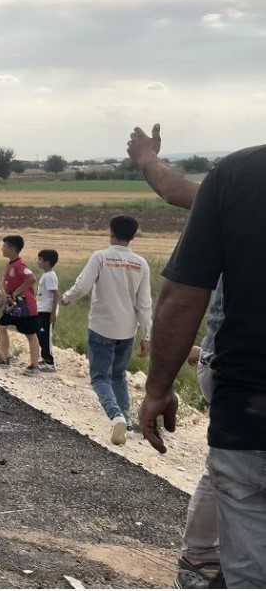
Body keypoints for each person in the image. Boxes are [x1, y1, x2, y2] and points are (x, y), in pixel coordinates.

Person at [139, 141, 266, 588]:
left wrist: (157, 389)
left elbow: (181, 297)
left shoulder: (241, 175)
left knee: (241, 491)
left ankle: (200, 558)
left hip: (248, 400)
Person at [126, 124, 223, 589]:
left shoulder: (244, 179)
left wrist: (146, 157)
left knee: (231, 469)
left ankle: (200, 560)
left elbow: (176, 189)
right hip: (235, 364)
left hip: (238, 365)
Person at [60, 215, 152, 446]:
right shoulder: (141, 263)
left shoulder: (101, 257)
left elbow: (82, 286)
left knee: (100, 377)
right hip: (127, 330)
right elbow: (144, 304)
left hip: (101, 327)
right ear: (133, 236)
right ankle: (127, 423)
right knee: (119, 375)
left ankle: (115, 415)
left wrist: (66, 298)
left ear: (111, 232)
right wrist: (147, 335)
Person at [0, 235, 41, 374]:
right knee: (1, 326)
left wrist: (16, 292)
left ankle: (34, 366)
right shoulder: (10, 264)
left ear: (12, 248)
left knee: (30, 334)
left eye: (4, 246)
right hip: (12, 306)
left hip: (25, 307)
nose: (2, 249)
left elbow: (31, 279)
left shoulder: (20, 265)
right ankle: (4, 358)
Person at [35, 249, 61, 373]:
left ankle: (50, 363)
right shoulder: (45, 275)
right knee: (40, 335)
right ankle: (45, 359)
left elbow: (55, 295)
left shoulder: (50, 276)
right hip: (41, 309)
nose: (37, 261)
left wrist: (53, 313)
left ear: (47, 262)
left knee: (46, 337)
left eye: (40, 259)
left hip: (47, 311)